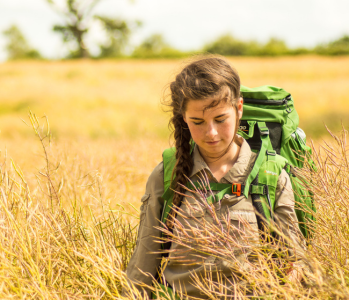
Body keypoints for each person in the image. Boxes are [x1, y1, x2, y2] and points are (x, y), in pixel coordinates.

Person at [124, 56, 306, 299]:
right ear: (184, 118)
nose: (211, 133)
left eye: (220, 119)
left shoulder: (270, 176)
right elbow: (142, 268)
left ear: (238, 108)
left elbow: (296, 262)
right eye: (197, 122)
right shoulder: (166, 175)